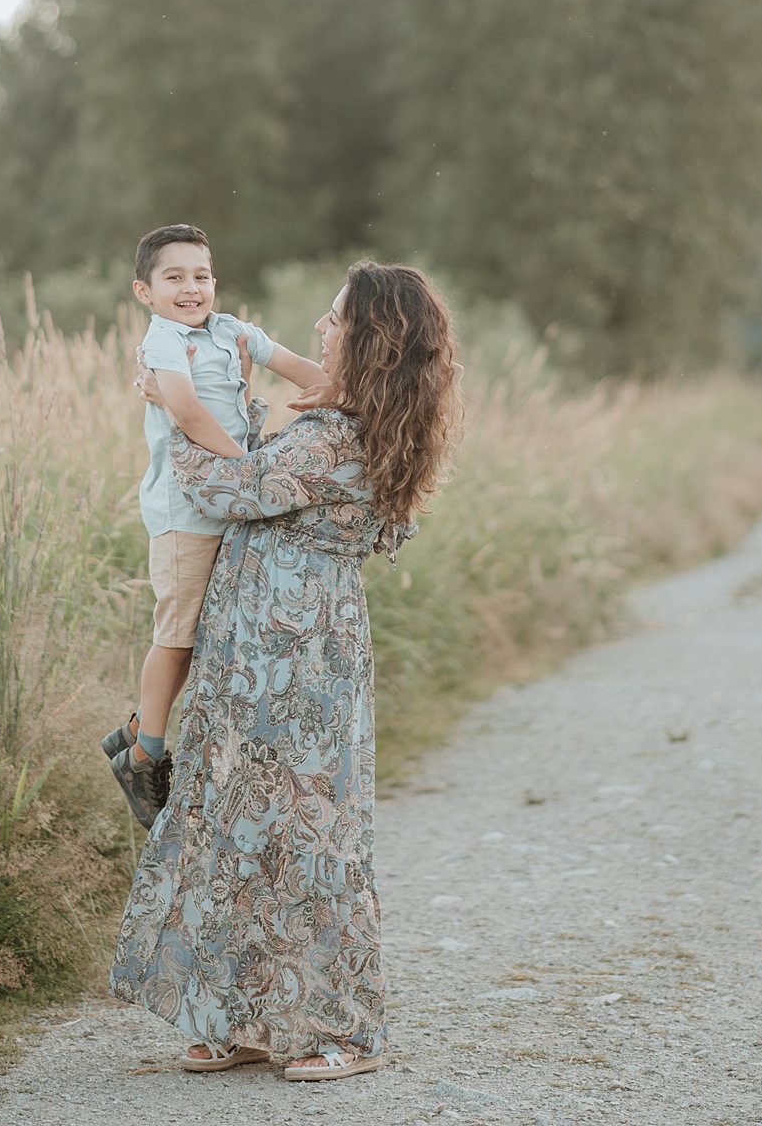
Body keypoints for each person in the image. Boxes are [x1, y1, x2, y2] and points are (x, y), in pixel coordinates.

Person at [109, 261, 461, 1083]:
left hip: (300, 662)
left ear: (372, 339)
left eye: (335, 321)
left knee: (306, 839)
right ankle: (242, 1016)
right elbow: (258, 479)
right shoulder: (342, 421)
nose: (320, 330)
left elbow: (232, 487)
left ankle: (338, 1027)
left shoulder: (344, 435)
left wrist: (176, 407)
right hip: (250, 653)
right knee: (235, 824)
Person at [103, 224, 332, 829]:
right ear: (144, 291)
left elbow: (301, 367)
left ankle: (134, 730)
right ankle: (146, 753)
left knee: (209, 636)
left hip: (229, 503)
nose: (190, 288)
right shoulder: (162, 343)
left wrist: (347, 395)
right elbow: (185, 408)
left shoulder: (231, 332)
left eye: (200, 275)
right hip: (186, 512)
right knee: (177, 632)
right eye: (173, 277)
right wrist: (249, 470)